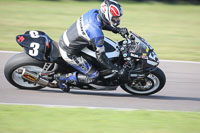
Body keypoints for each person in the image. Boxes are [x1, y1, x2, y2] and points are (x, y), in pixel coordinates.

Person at [57, 0, 129, 89]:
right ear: (107, 15)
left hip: (70, 39)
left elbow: (102, 24)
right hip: (68, 52)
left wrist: (117, 30)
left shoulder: (94, 12)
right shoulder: (96, 34)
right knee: (94, 75)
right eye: (115, 18)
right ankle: (62, 79)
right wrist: (116, 69)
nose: (117, 20)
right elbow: (101, 57)